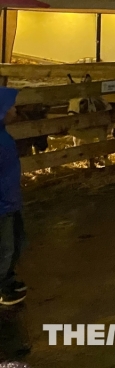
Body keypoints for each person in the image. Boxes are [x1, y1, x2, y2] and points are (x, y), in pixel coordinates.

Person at [0, 88, 26, 306]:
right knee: (5, 248)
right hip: (3, 205)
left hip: (9, 200)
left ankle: (8, 279)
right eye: (11, 107)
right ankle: (5, 289)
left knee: (14, 243)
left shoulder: (4, 137)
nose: (15, 109)